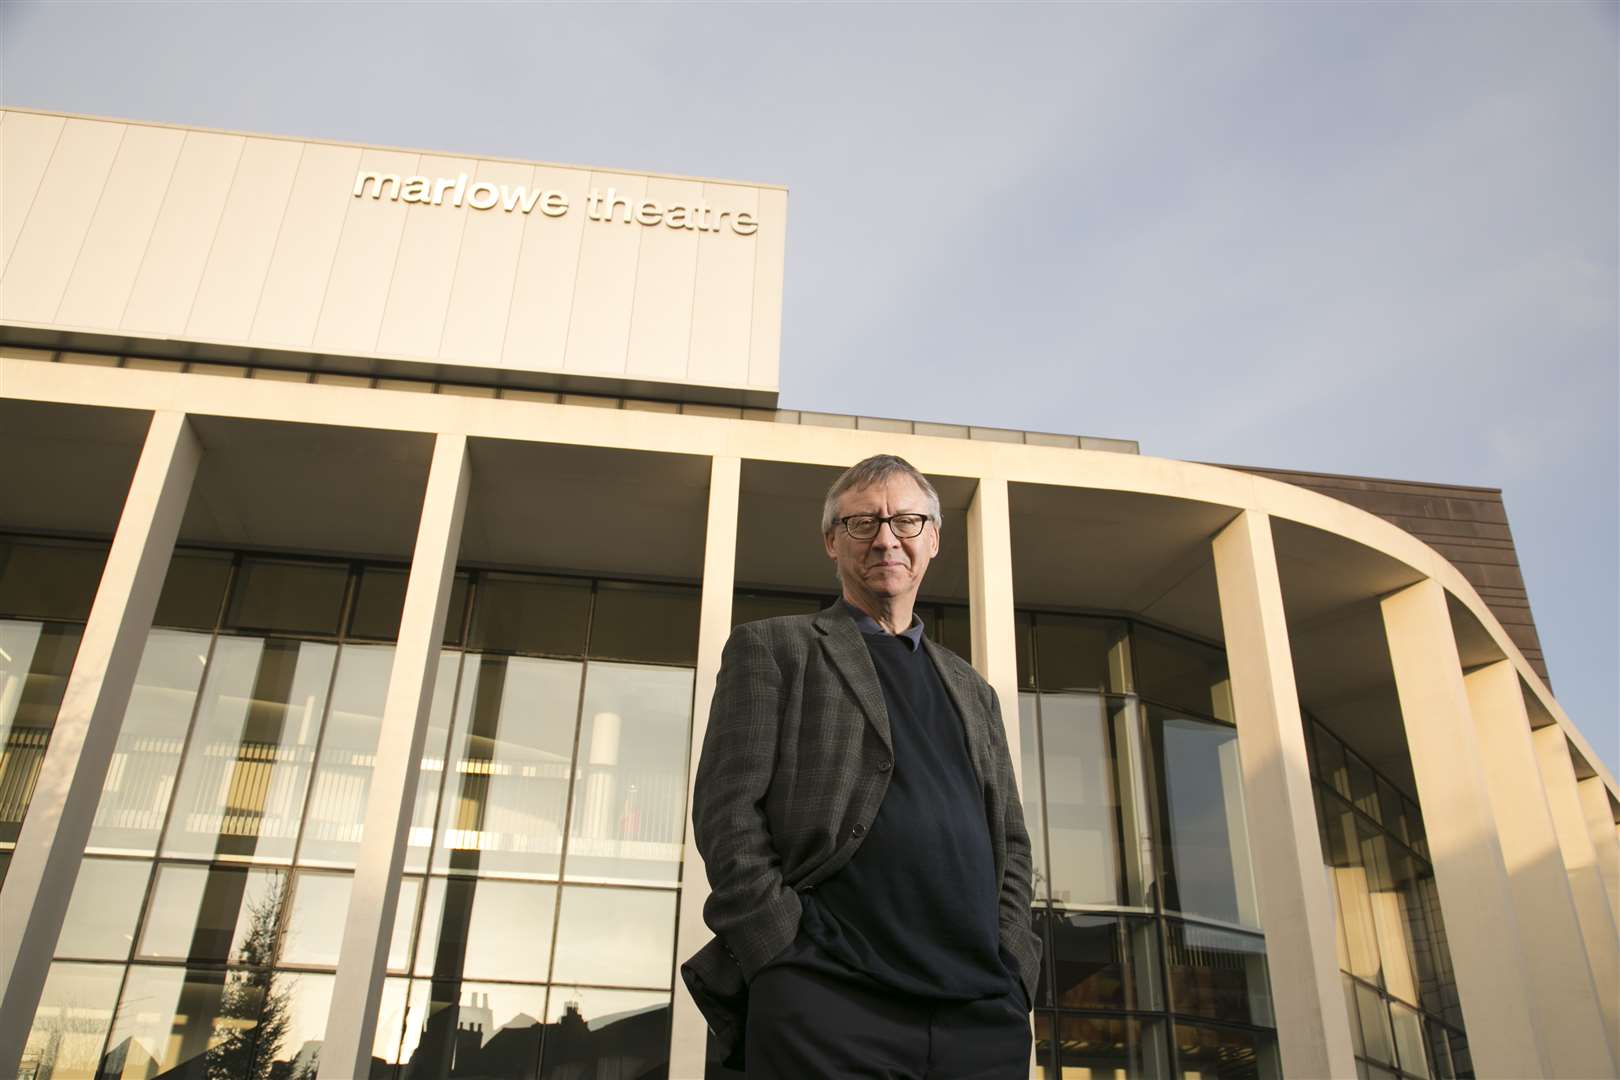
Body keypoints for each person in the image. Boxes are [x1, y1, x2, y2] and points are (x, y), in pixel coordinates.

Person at [682, 454, 1040, 1079]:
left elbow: (1010, 841)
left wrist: (1013, 968)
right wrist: (780, 951)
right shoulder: (775, 649)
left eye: (906, 521)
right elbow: (726, 811)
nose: (885, 539)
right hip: (829, 1000)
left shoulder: (972, 688)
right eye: (861, 524)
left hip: (980, 1012)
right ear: (831, 540)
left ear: (932, 537)